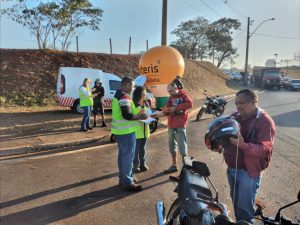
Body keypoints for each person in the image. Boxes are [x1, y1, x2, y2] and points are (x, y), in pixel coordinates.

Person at [223, 89, 275, 224]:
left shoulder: (264, 121)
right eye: (236, 103)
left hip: (248, 172)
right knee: (236, 202)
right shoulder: (235, 116)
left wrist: (243, 145)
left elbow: (265, 149)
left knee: (244, 209)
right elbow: (225, 135)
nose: (238, 106)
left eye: (242, 103)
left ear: (254, 102)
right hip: (232, 168)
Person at [111, 76, 148, 192]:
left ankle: (123, 178)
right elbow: (127, 115)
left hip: (120, 131)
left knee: (123, 156)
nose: (133, 89)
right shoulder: (124, 96)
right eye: (132, 86)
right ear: (127, 85)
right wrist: (140, 116)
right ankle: (127, 182)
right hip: (126, 132)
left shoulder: (118, 94)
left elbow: (127, 112)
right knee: (128, 157)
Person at [163, 79, 193, 174]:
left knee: (183, 149)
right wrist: (166, 110)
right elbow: (167, 107)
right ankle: (174, 165)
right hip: (171, 126)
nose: (170, 93)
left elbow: (190, 104)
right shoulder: (171, 97)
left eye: (171, 91)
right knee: (172, 147)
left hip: (180, 126)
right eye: (169, 92)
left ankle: (187, 169)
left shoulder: (184, 95)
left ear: (176, 88)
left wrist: (175, 108)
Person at [132, 86, 150, 173]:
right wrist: (140, 114)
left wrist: (151, 117)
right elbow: (133, 116)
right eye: (143, 94)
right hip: (137, 132)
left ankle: (143, 164)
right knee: (135, 151)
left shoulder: (146, 104)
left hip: (145, 132)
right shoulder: (133, 105)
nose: (145, 96)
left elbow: (148, 115)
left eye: (145, 94)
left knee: (143, 149)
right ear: (139, 95)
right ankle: (136, 166)